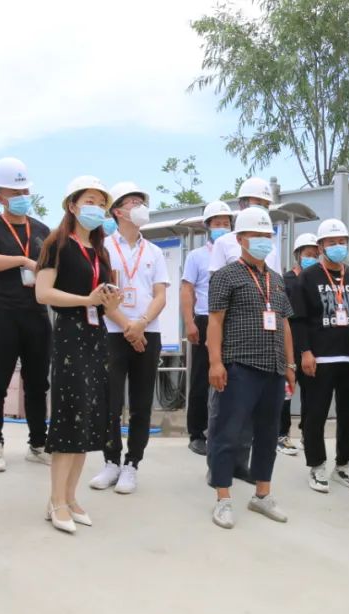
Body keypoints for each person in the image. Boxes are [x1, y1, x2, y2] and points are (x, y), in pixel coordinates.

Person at [34, 176, 120, 534]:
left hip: (97, 336)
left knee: (88, 417)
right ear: (72, 205)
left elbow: (104, 303)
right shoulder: (57, 244)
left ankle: (70, 497)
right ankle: (56, 500)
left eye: (101, 203)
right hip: (70, 334)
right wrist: (86, 300)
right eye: (89, 201)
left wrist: (113, 304)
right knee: (69, 416)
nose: (96, 209)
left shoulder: (101, 251)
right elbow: (43, 293)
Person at [206, 206, 296, 529]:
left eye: (266, 235)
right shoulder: (225, 275)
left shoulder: (276, 280)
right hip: (239, 366)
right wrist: (215, 362)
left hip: (273, 368)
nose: (262, 241)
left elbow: (284, 323)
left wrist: (290, 363)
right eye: (256, 235)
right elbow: (215, 322)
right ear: (240, 239)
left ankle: (262, 495)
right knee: (228, 433)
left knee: (268, 434)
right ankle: (223, 498)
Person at [89, 182, 167, 494]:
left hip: (148, 333)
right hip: (112, 331)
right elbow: (102, 295)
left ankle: (132, 463)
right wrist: (127, 327)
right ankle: (111, 461)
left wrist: (141, 324)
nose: (140, 206)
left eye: (141, 201)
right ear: (118, 211)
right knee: (110, 402)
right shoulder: (103, 248)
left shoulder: (155, 252)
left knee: (141, 403)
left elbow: (160, 295)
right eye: (133, 201)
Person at [0, 157, 51, 471]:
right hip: (3, 312)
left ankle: (38, 443)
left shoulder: (42, 230)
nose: (21, 196)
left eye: (24, 190)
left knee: (38, 383)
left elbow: (53, 266)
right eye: (14, 192)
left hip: (37, 313)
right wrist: (22, 260)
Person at [292, 219, 349, 493]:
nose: (338, 246)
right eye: (332, 242)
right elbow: (298, 320)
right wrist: (305, 352)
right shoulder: (308, 277)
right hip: (320, 359)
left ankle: (344, 465)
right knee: (316, 414)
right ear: (321, 246)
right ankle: (317, 465)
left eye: (342, 242)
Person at [181, 200, 233, 456]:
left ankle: (227, 429)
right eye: (217, 223)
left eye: (226, 223)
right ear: (207, 227)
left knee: (233, 376)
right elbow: (187, 289)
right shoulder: (197, 256)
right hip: (204, 318)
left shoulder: (235, 256)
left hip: (233, 319)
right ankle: (197, 432)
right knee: (202, 377)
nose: (222, 227)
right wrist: (189, 322)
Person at [277, 232, 319, 456]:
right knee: (286, 390)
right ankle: (281, 434)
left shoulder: (318, 280)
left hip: (312, 345)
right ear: (298, 255)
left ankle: (307, 434)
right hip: (289, 343)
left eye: (315, 255)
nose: (312, 258)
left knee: (311, 393)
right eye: (308, 254)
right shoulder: (286, 280)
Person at [207, 177, 280, 274]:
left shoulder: (271, 247)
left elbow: (277, 280)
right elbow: (216, 280)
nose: (262, 209)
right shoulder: (223, 243)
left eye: (266, 206)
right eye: (258, 203)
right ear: (242, 205)